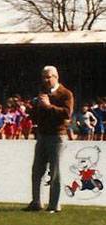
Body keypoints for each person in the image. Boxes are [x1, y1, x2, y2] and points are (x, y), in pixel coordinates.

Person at [27, 65, 74, 213]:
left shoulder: (66, 94)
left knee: (55, 172)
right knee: (37, 171)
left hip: (57, 136)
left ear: (56, 76)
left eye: (48, 77)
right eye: (43, 77)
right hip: (42, 135)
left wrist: (47, 106)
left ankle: (54, 204)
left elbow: (67, 113)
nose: (45, 80)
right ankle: (36, 202)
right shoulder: (42, 93)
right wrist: (33, 108)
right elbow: (37, 116)